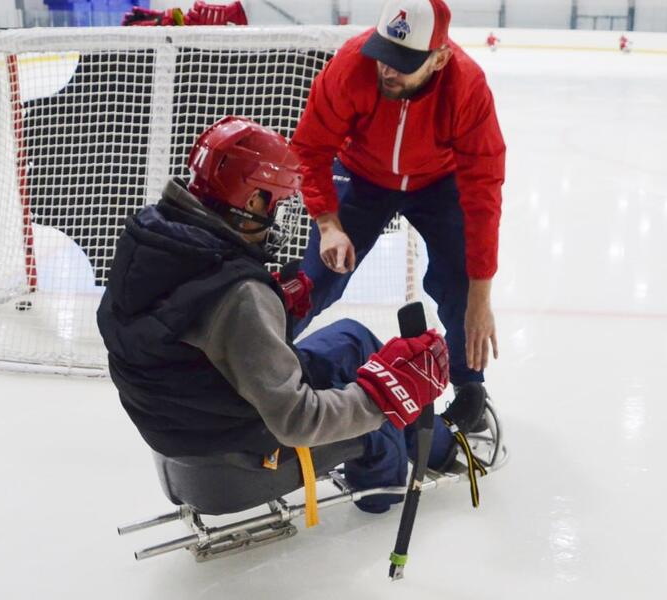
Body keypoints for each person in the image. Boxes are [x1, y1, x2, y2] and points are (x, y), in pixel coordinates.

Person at [96, 116, 486, 517]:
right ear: (250, 201)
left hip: (184, 417)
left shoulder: (148, 239)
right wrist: (387, 395)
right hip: (232, 443)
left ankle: (433, 439)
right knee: (379, 413)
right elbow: (297, 421)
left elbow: (182, 322)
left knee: (353, 339)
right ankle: (392, 484)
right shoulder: (240, 296)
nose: (276, 214)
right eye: (274, 202)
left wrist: (275, 305)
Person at [290, 0, 506, 419]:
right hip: (362, 174)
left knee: (461, 288)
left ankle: (468, 387)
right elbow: (310, 148)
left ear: (439, 58)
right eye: (384, 54)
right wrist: (328, 223)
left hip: (437, 182)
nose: (387, 70)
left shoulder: (467, 87)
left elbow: (483, 193)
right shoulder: (353, 65)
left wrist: (481, 296)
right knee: (316, 276)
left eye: (402, 63)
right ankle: (262, 364)